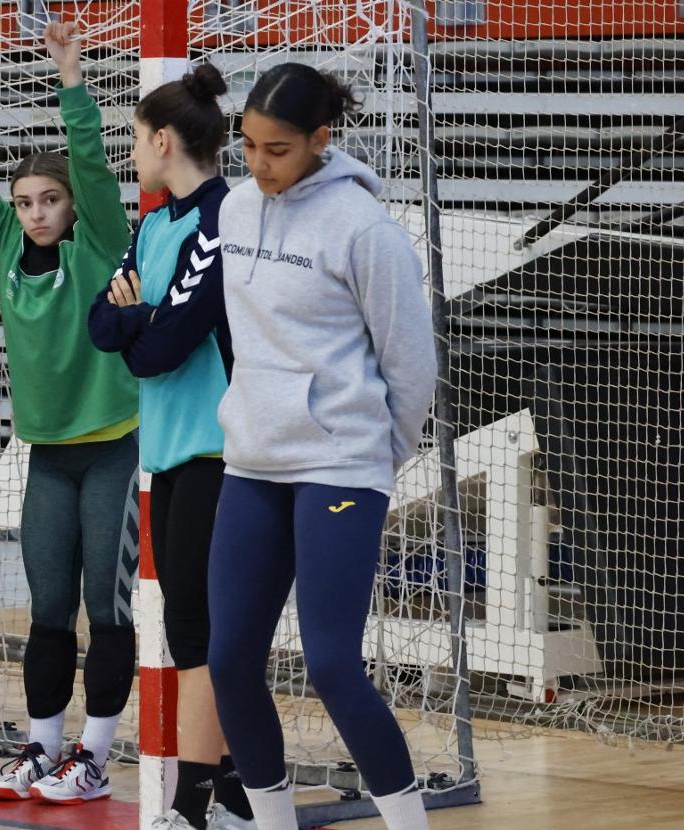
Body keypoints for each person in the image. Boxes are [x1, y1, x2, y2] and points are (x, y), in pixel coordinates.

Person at [205, 63, 437, 830]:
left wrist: (374, 454)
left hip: (339, 464)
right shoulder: (235, 211)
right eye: (248, 146)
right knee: (231, 659)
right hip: (253, 463)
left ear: (320, 141)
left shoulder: (363, 229)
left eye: (277, 149)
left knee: (334, 665)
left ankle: (407, 822)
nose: (259, 164)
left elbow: (411, 366)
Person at [0, 22, 140, 804]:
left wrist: (71, 79)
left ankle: (97, 756)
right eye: (26, 202)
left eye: (50, 201)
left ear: (72, 205)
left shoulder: (101, 243)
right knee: (49, 609)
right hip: (46, 455)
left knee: (106, 611)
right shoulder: (6, 243)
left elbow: (92, 163)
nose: (37, 211)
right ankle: (42, 748)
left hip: (112, 447)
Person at [88, 64, 255, 830]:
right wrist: (138, 321)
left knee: (195, 629)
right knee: (187, 624)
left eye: (133, 136)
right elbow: (105, 324)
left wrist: (139, 322)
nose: (131, 151)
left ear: (163, 139)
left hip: (220, 453)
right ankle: (234, 797)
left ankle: (191, 808)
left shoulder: (223, 218)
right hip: (167, 454)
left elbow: (163, 347)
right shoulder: (153, 224)